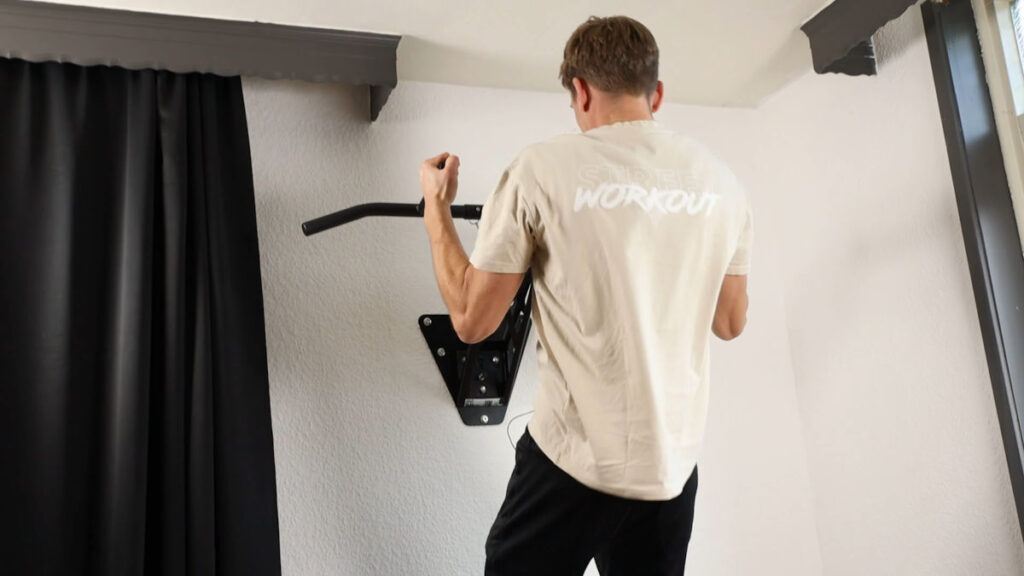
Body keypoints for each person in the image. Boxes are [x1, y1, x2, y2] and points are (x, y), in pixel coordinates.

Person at [418, 15, 752, 576]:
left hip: (573, 462)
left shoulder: (541, 169)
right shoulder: (723, 183)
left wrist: (437, 209)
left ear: (580, 90)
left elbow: (473, 321)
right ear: (658, 94)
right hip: (671, 471)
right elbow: (730, 320)